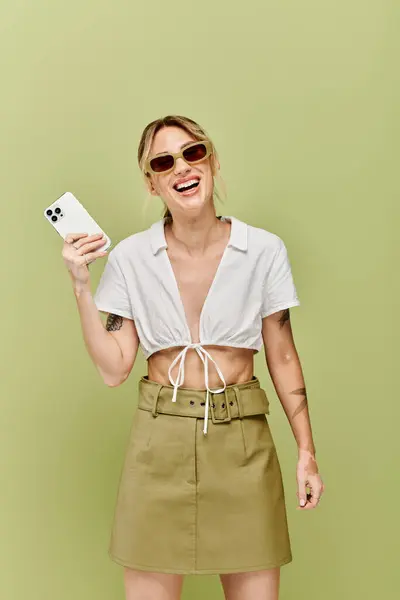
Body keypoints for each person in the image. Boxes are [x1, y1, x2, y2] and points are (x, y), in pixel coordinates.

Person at [62, 115, 325, 600]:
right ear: (152, 181)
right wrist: (81, 285)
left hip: (243, 441)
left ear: (212, 159)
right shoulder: (131, 259)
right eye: (164, 161)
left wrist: (306, 452)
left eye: (193, 152)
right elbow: (114, 368)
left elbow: (283, 354)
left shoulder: (263, 250)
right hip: (158, 443)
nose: (182, 166)